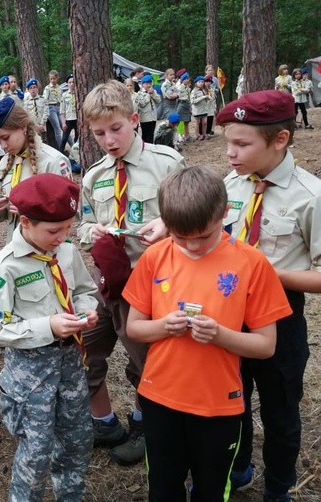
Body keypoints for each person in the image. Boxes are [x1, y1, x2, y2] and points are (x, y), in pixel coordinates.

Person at [123, 165, 292, 501]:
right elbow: (134, 328)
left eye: (203, 236)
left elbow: (265, 346)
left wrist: (219, 335)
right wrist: (163, 327)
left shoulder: (251, 263)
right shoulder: (155, 257)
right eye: (180, 237)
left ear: (225, 214)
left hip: (218, 405)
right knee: (163, 487)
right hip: (160, 398)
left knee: (212, 489)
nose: (192, 246)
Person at [218, 90, 321, 502]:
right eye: (228, 142)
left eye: (241, 144)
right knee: (232, 398)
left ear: (280, 140)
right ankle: (238, 467)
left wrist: (264, 274)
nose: (229, 153)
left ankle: (278, 488)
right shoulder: (231, 184)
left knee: (280, 411)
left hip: (279, 317)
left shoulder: (310, 196)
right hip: (228, 316)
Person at [77, 80, 185, 466]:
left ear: (135, 120)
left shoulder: (167, 163)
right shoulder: (93, 176)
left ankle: (144, 424)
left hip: (150, 282)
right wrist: (94, 231)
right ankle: (104, 422)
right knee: (84, 351)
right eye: (99, 133)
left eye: (116, 129)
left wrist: (167, 228)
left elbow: (189, 219)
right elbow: (84, 223)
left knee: (147, 362)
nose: (108, 140)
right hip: (106, 281)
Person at [0, 173, 99, 501]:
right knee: (36, 453)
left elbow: (85, 290)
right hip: (32, 374)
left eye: (67, 229)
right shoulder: (5, 269)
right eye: (53, 230)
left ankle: (70, 495)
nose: (62, 237)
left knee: (77, 440)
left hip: (70, 364)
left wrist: (86, 310)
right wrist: (49, 326)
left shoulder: (65, 250)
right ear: (25, 222)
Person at [0, 97, 72, 242]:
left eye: (6, 137)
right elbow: (8, 211)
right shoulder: (5, 162)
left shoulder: (53, 161)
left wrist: (33, 213)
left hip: (47, 250)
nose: (3, 146)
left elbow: (70, 211)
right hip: (15, 248)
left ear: (23, 126)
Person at [132, 74, 161, 144]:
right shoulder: (139, 93)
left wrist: (153, 93)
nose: (149, 85)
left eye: (150, 83)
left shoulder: (154, 91)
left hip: (153, 117)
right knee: (145, 135)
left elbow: (158, 100)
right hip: (145, 118)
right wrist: (148, 94)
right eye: (147, 84)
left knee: (151, 135)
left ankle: (151, 148)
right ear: (142, 84)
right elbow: (142, 104)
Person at [43, 70, 63, 148]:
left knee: (64, 127)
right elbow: (45, 99)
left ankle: (72, 146)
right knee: (57, 128)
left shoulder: (59, 88)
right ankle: (62, 147)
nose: (52, 80)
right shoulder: (47, 88)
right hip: (51, 108)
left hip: (59, 107)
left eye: (54, 78)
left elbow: (61, 97)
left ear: (57, 78)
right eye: (51, 79)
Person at [59, 74, 78, 152]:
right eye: (70, 82)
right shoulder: (64, 95)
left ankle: (76, 154)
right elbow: (62, 110)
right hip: (69, 119)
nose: (72, 84)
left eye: (73, 82)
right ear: (67, 84)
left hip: (77, 119)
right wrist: (63, 123)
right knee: (64, 138)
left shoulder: (79, 94)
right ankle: (61, 153)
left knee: (77, 139)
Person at [191, 76, 210, 141]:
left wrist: (207, 98)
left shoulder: (204, 90)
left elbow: (206, 98)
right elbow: (193, 101)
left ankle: (204, 134)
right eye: (199, 82)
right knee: (197, 122)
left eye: (202, 82)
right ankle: (197, 135)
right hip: (197, 110)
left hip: (204, 109)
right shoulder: (194, 91)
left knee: (205, 122)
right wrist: (203, 97)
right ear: (196, 83)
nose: (201, 83)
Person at [175, 72, 192, 141]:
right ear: (182, 80)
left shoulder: (188, 88)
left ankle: (186, 135)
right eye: (186, 79)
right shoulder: (179, 88)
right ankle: (179, 135)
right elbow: (177, 96)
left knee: (187, 121)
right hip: (182, 104)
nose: (187, 80)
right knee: (180, 121)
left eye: (188, 79)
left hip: (187, 104)